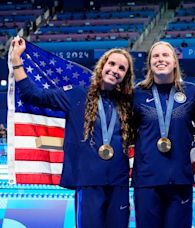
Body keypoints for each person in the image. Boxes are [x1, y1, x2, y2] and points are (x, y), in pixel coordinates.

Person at [10, 37, 134, 228]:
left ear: (126, 76)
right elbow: (33, 95)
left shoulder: (127, 103)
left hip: (119, 183)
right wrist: (16, 60)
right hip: (88, 181)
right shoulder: (76, 95)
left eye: (121, 68)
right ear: (102, 66)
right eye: (112, 64)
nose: (115, 70)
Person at [132, 41, 195, 228]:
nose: (160, 59)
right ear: (149, 63)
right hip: (146, 181)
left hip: (180, 179)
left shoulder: (191, 91)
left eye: (165, 55)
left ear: (175, 62)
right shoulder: (137, 93)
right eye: (156, 56)